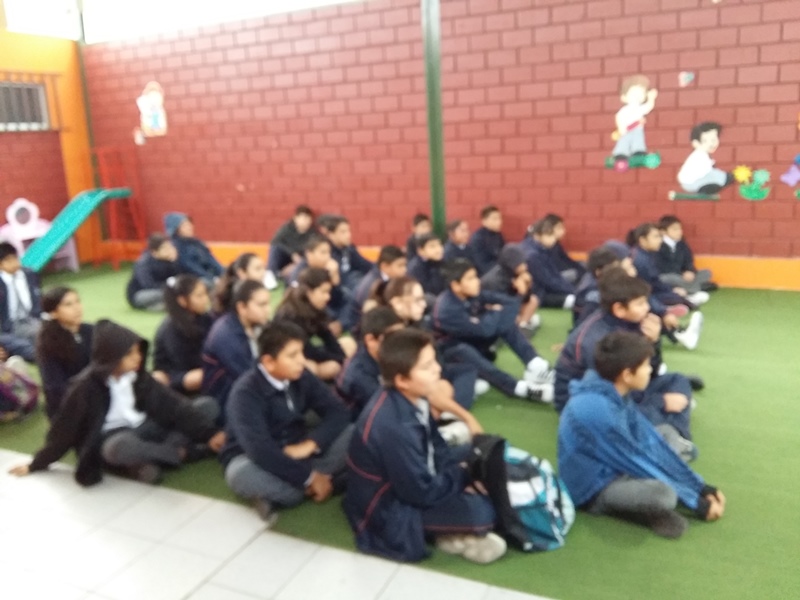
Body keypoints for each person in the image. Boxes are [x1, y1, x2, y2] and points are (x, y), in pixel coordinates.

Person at [343, 328, 505, 563]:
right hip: (389, 509)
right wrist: (462, 475)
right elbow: (421, 493)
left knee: (481, 453)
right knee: (483, 512)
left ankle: (453, 524)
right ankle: (447, 533)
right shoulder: (394, 427)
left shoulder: (412, 397)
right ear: (402, 380)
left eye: (434, 361)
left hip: (415, 479)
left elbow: (436, 444)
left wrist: (460, 470)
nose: (437, 369)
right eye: (427, 367)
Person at [9, 319, 225, 486]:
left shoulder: (138, 377)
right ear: (112, 356)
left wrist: (210, 433)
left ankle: (148, 461)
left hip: (149, 426)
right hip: (116, 436)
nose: (138, 357)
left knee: (206, 406)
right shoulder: (85, 387)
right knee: (117, 448)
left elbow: (173, 405)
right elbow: (63, 431)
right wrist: (36, 464)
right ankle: (183, 453)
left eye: (138, 351)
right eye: (130, 354)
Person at [558, 331, 725, 539]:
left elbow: (649, 438)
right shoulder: (597, 410)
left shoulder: (612, 390)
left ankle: (653, 492)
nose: (650, 370)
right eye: (645, 366)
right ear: (627, 375)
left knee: (665, 433)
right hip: (594, 488)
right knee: (664, 494)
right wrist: (696, 503)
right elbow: (637, 459)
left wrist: (701, 487)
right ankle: (640, 512)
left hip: (620, 463)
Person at [554, 269, 696, 458]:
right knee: (644, 410)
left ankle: (675, 437)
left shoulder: (631, 322)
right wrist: (660, 402)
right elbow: (612, 397)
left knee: (677, 380)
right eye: (640, 304)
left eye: (646, 302)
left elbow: (648, 373)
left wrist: (653, 341)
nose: (647, 308)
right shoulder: (598, 342)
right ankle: (665, 440)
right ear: (619, 309)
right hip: (589, 405)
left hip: (621, 388)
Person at [221, 320, 353, 524]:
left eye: (301, 353)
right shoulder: (245, 393)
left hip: (299, 448)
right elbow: (259, 449)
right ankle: (320, 482)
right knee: (238, 474)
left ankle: (288, 491)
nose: (302, 361)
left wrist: (311, 444)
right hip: (255, 459)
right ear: (269, 362)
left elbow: (338, 411)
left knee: (353, 433)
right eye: (292, 356)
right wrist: (309, 477)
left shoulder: (301, 375)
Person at [337, 307, 483, 440]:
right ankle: (440, 430)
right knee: (432, 393)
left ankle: (445, 424)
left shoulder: (387, 356)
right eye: (393, 337)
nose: (400, 341)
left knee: (442, 385)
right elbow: (393, 410)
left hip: (397, 416)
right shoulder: (358, 374)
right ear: (371, 340)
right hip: (366, 433)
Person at [432, 259, 554, 403]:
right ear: (456, 285)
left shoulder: (473, 293)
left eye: (475, 276)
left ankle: (536, 366)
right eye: (470, 279)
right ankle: (522, 389)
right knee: (464, 351)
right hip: (450, 353)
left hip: (474, 342)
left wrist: (512, 301)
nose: (477, 281)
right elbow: (484, 330)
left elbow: (510, 303)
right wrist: (495, 312)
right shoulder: (447, 309)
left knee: (506, 325)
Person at [369, 276, 484, 412]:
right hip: (412, 381)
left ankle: (452, 406)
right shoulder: (390, 330)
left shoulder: (415, 321)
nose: (423, 305)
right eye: (418, 300)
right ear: (397, 303)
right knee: (445, 383)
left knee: (466, 367)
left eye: (422, 299)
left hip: (426, 369)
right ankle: (450, 411)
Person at [202, 280, 271, 420]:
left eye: (268, 304)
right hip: (227, 404)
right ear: (242, 307)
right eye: (261, 305)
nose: (268, 310)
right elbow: (250, 377)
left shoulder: (258, 325)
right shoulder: (226, 335)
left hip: (253, 395)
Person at [274, 267, 356, 381]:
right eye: (323, 292)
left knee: (349, 343)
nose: (328, 297)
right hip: (291, 357)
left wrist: (341, 357)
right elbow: (308, 350)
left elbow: (327, 336)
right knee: (327, 367)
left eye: (328, 292)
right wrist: (337, 359)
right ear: (309, 292)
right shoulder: (291, 315)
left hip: (307, 353)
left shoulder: (316, 307)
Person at [36, 286, 94, 420]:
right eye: (68, 305)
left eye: (77, 301)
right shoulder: (48, 343)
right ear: (53, 312)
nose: (77, 308)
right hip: (70, 405)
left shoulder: (90, 330)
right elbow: (55, 388)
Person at [153, 275, 213, 395]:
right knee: (202, 376)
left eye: (206, 294)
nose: (206, 299)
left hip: (199, 366)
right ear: (182, 301)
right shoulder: (171, 329)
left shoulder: (205, 318)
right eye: (199, 296)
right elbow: (182, 362)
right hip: (176, 374)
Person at [627, 223, 708, 308]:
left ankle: (684, 298)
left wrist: (688, 271)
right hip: (646, 294)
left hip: (655, 290)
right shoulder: (641, 259)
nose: (660, 240)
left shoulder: (647, 254)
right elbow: (652, 285)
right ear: (643, 240)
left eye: (660, 237)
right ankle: (677, 303)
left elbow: (655, 282)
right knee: (673, 295)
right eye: (656, 237)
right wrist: (672, 292)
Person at [289, 234, 350, 331]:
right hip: (309, 311)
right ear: (309, 254)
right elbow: (300, 303)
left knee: (350, 298)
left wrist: (335, 279)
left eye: (329, 252)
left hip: (328, 307)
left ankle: (339, 324)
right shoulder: (300, 273)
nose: (327, 257)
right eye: (323, 253)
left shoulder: (328, 268)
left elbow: (338, 300)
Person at [343, 245, 407, 333]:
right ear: (385, 266)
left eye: (405, 265)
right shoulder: (371, 285)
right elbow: (368, 315)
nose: (404, 270)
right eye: (400, 266)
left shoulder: (392, 279)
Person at [480, 244, 540, 333]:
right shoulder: (494, 281)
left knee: (533, 300)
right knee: (507, 315)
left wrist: (528, 286)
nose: (525, 266)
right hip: (491, 312)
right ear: (512, 264)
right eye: (521, 264)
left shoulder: (516, 273)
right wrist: (521, 293)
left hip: (510, 306)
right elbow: (505, 304)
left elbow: (526, 300)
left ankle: (522, 326)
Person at [521, 219, 576, 310]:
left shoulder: (542, 249)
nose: (553, 239)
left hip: (544, 289)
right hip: (538, 295)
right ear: (537, 235)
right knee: (576, 300)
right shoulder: (533, 256)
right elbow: (549, 281)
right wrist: (574, 291)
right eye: (549, 235)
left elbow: (554, 275)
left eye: (554, 235)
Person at [0, 242, 42, 362]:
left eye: (15, 258)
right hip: (8, 327)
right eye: (8, 260)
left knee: (43, 332)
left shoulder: (30, 274)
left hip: (32, 319)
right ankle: (40, 355)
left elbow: (38, 298)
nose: (14, 263)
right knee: (17, 343)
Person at [655, 215, 716, 294]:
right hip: (669, 276)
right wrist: (681, 274)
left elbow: (689, 261)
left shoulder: (682, 244)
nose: (679, 232)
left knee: (707, 272)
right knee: (667, 278)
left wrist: (689, 271)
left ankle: (685, 288)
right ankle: (695, 288)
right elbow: (662, 267)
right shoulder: (658, 245)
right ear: (663, 231)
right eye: (675, 229)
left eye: (680, 229)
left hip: (683, 277)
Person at [125, 233, 180, 311]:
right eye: (165, 248)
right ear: (155, 252)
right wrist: (169, 287)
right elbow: (148, 285)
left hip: (161, 289)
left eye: (170, 246)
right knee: (168, 293)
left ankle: (165, 305)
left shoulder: (168, 259)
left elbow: (176, 277)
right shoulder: (143, 263)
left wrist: (174, 261)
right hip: (139, 294)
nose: (169, 250)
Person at [265, 205, 315, 289]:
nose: (307, 221)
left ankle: (288, 279)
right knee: (275, 248)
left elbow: (310, 253)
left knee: (301, 265)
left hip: (300, 262)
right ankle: (270, 275)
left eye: (309, 219)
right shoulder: (287, 228)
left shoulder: (312, 234)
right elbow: (275, 241)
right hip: (286, 257)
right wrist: (292, 254)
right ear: (295, 218)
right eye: (304, 218)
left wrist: (296, 263)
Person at [164, 212, 224, 283]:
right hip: (193, 281)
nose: (190, 227)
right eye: (185, 225)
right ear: (176, 230)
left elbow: (211, 260)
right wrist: (212, 279)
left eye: (189, 224)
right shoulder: (177, 247)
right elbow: (191, 267)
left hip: (209, 275)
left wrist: (225, 273)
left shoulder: (196, 242)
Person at [318, 214, 373, 291]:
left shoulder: (349, 248)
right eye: (343, 232)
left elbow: (364, 264)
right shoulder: (326, 252)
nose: (348, 235)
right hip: (340, 290)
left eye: (348, 231)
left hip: (355, 284)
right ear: (331, 235)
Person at [677, 122, 734, 194]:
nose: (711, 144)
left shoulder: (701, 154)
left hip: (690, 182)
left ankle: (713, 184)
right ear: (696, 143)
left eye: (714, 140)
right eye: (705, 141)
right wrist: (725, 177)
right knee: (718, 176)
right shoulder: (700, 155)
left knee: (717, 175)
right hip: (692, 182)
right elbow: (707, 171)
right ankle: (722, 181)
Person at [611, 74, 658, 159]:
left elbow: (648, 107)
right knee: (624, 140)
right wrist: (621, 127)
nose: (637, 96)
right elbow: (619, 117)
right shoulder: (625, 110)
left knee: (638, 139)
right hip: (627, 129)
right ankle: (621, 153)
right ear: (624, 97)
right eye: (634, 93)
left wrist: (651, 98)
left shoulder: (639, 108)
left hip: (637, 129)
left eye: (641, 93)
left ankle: (638, 151)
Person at [541, 214, 586, 284]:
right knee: (574, 273)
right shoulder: (545, 247)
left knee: (585, 264)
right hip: (555, 277)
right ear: (550, 229)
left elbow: (566, 259)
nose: (563, 231)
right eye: (559, 228)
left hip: (563, 270)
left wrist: (580, 269)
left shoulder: (556, 244)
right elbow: (556, 268)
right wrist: (579, 271)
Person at [467, 206, 505, 276]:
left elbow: (503, 254)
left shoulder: (498, 235)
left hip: (499, 270)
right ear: (484, 221)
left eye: (500, 218)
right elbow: (481, 264)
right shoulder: (478, 239)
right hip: (485, 275)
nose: (499, 222)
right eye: (495, 219)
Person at [407, 233, 446, 301]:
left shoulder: (441, 262)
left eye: (439, 245)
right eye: (432, 246)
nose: (438, 249)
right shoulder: (416, 268)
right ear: (421, 251)